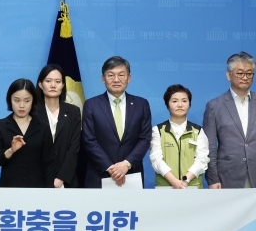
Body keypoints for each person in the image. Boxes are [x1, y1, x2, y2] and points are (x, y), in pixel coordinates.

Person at [82, 56, 152, 188]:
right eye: (110, 75)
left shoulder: (141, 104)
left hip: (131, 174)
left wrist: (126, 164)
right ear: (103, 79)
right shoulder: (91, 105)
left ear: (128, 78)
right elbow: (89, 140)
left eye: (121, 75)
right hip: (99, 174)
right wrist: (110, 167)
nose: (116, 80)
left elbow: (145, 138)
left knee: (131, 208)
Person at [204, 51, 256, 189]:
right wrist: (212, 178)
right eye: (240, 73)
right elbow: (210, 146)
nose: (245, 77)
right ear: (229, 75)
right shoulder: (215, 106)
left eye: (249, 73)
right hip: (228, 177)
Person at [0, 78, 54, 187]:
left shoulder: (43, 127)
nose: (22, 105)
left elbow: (49, 164)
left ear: (33, 101)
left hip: (36, 191)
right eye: (17, 100)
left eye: (27, 101)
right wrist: (10, 150)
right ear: (10, 100)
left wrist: (48, 193)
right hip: (8, 189)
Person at [149, 84, 209, 189]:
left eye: (184, 101)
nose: (180, 105)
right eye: (175, 101)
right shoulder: (158, 130)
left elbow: (202, 159)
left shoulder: (198, 131)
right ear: (167, 104)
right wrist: (174, 181)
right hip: (165, 187)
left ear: (190, 104)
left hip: (193, 186)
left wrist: (186, 179)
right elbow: (156, 159)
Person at [36, 64, 81, 188]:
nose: (53, 85)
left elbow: (74, 148)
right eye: (48, 81)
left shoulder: (73, 112)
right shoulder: (32, 112)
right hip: (38, 179)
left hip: (67, 180)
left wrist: (62, 177)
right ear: (40, 84)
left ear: (63, 85)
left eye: (58, 81)